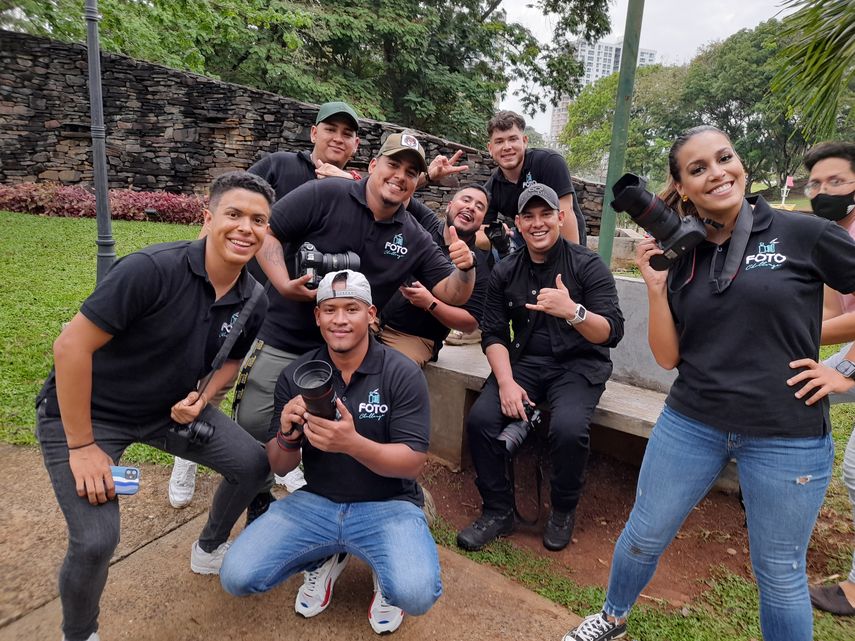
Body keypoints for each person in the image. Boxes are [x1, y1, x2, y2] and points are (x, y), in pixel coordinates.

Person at [563, 126, 855, 641]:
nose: (718, 172)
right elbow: (668, 355)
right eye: (698, 169)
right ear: (683, 187)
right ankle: (612, 618)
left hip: (786, 435)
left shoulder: (801, 234)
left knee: (780, 575)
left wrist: (843, 371)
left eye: (725, 158)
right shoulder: (683, 252)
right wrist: (655, 287)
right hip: (691, 423)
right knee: (643, 536)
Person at [36, 172, 275, 641]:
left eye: (258, 220)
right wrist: (82, 446)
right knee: (96, 541)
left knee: (253, 464)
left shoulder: (254, 298)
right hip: (93, 414)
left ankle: (208, 549)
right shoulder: (151, 268)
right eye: (234, 214)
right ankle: (80, 633)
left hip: (169, 412)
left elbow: (230, 362)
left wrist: (203, 398)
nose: (246, 227)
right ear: (208, 218)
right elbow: (70, 348)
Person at [230, 132, 475, 523]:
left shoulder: (411, 234)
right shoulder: (324, 194)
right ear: (373, 165)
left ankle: (342, 499)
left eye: (411, 171)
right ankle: (260, 492)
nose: (400, 176)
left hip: (350, 347)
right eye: (393, 164)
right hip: (289, 331)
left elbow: (453, 291)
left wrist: (466, 268)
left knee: (356, 427)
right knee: (255, 423)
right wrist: (280, 283)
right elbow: (269, 230)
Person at [220, 270, 442, 635]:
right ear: (317, 317)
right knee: (237, 576)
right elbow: (280, 465)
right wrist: (288, 435)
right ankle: (326, 554)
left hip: (388, 504)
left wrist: (351, 443)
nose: (340, 320)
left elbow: (412, 462)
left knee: (414, 593)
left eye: (351, 309)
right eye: (330, 309)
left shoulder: (401, 372)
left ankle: (386, 576)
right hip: (318, 501)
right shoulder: (298, 374)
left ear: (371, 315)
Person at [167, 101, 362, 510]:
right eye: (331, 129)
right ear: (314, 133)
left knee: (279, 393)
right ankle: (185, 455)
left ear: (356, 144)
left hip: (302, 315)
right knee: (213, 375)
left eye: (347, 133)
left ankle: (282, 462)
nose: (337, 138)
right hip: (248, 296)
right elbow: (229, 206)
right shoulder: (280, 166)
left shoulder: (354, 186)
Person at [456, 183, 624, 553]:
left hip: (579, 365)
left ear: (560, 217)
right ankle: (499, 510)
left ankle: (563, 509)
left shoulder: (587, 265)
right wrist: (505, 383)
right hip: (526, 361)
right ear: (517, 223)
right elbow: (494, 333)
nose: (538, 223)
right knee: (482, 419)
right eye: (528, 216)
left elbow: (612, 332)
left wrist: (573, 311)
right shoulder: (507, 271)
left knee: (567, 429)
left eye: (545, 214)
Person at [801, 141, 855, 617]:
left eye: (836, 182)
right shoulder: (832, 234)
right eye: (816, 184)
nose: (822, 192)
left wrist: (845, 372)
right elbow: (828, 313)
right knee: (798, 384)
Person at [377, 184, 493, 366]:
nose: (471, 207)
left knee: (392, 373)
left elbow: (471, 322)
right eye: (466, 200)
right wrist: (429, 176)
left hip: (414, 339)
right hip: (375, 319)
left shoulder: (477, 265)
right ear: (449, 205)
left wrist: (431, 303)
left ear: (481, 221)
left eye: (479, 207)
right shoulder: (426, 223)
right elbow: (399, 192)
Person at [482, 110, 587, 249]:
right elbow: (481, 231)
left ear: (525, 141)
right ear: (490, 148)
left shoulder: (549, 162)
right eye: (499, 141)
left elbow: (566, 214)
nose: (507, 147)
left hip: (565, 242)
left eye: (513, 139)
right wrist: (498, 236)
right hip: (527, 245)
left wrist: (573, 263)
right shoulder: (492, 188)